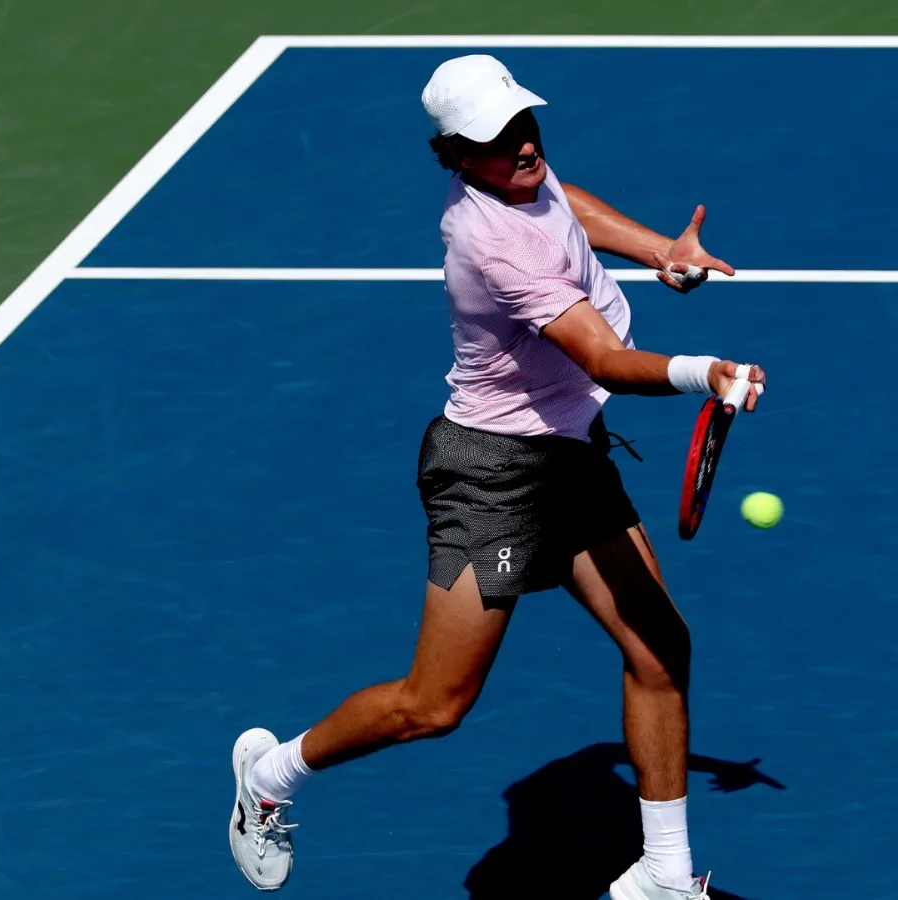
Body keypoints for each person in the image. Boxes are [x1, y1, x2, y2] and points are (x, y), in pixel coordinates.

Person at [227, 54, 766, 900]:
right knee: (435, 706)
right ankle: (272, 775)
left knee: (661, 648)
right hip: (498, 484)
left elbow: (569, 204)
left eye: (524, 127)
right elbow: (604, 357)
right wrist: (709, 373)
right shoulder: (491, 243)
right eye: (494, 141)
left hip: (572, 450)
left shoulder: (527, 177)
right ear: (454, 156)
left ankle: (662, 875)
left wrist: (661, 248)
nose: (520, 148)